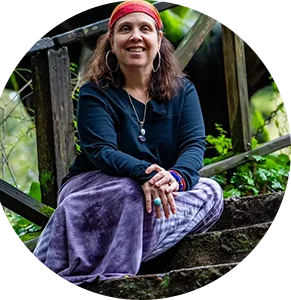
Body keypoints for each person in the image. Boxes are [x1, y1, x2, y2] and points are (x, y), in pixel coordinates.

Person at [32, 0, 224, 288]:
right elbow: (101, 150)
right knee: (129, 191)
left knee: (211, 191)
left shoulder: (183, 91)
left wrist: (175, 178)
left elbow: (194, 145)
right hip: (94, 188)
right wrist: (144, 174)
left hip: (156, 193)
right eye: (125, 29)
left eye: (145, 28)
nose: (136, 36)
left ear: (159, 40)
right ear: (112, 41)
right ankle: (109, 272)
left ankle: (110, 255)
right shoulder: (94, 92)